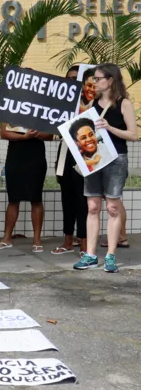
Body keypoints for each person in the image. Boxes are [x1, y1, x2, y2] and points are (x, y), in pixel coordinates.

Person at [75, 64, 137, 273]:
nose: (95, 82)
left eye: (99, 78)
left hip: (116, 159)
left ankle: (110, 255)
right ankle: (90, 254)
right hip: (97, 160)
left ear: (110, 80)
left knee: (112, 207)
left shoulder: (123, 103)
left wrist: (109, 128)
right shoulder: (93, 102)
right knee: (92, 206)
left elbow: (133, 135)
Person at [0, 116, 50, 252]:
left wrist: (37, 134)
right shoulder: (11, 106)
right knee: (13, 198)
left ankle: (37, 240)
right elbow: (4, 132)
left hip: (36, 156)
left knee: (36, 198)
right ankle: (6, 238)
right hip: (15, 156)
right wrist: (25, 136)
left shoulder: (41, 108)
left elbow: (50, 134)